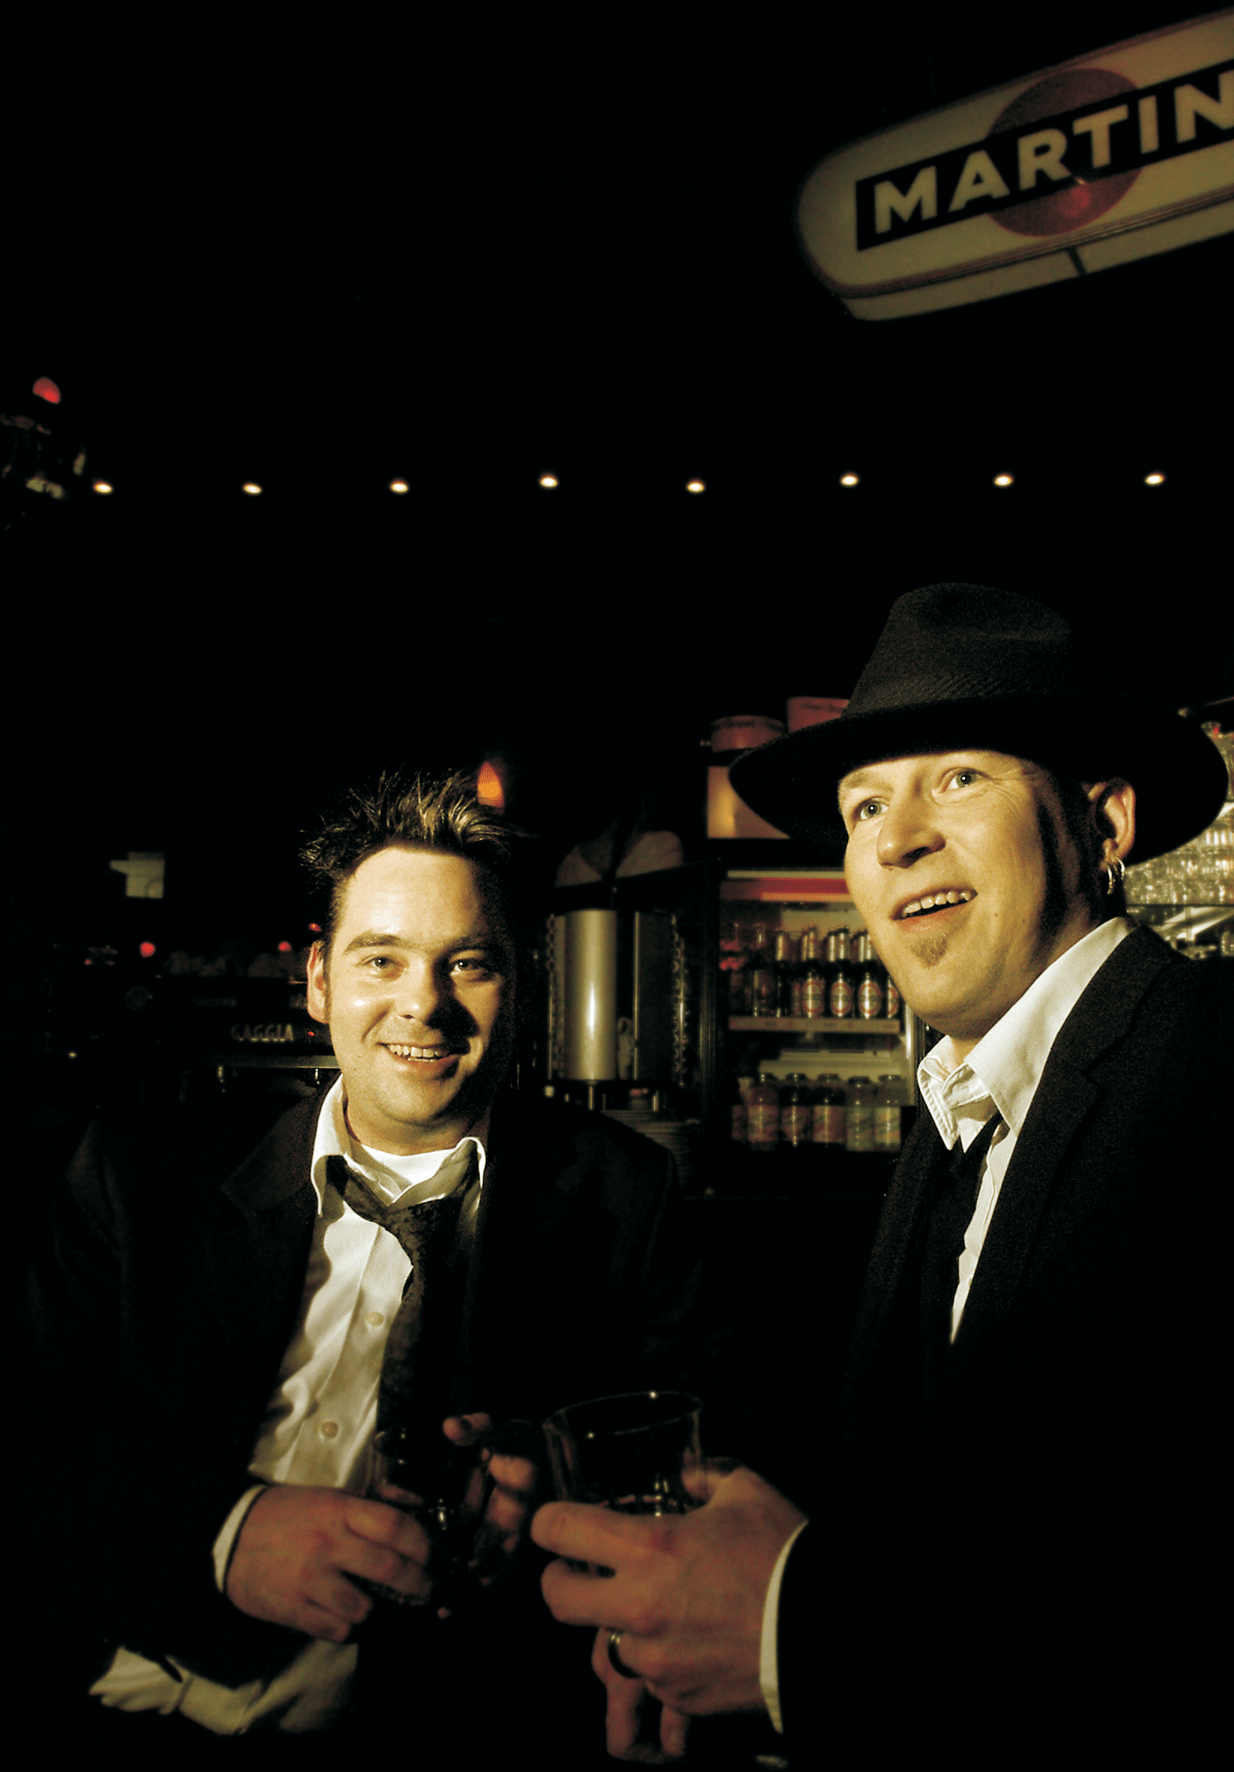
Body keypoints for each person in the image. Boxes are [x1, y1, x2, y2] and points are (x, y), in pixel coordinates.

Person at [533, 583, 1232, 1761]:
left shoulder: (1206, 1063)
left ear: (1105, 822)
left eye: (956, 778)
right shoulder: (961, 1111)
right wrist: (698, 1584)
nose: (894, 836)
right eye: (863, 805)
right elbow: (962, 1501)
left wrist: (794, 1628)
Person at [24, 769, 699, 1757]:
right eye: (381, 959)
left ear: (520, 986)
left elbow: (688, 1462)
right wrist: (221, 1533)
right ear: (319, 981)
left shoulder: (628, 1197)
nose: (423, 1004)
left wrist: (555, 1479)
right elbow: (29, 1439)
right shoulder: (141, 1174)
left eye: (468, 963)